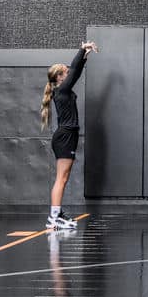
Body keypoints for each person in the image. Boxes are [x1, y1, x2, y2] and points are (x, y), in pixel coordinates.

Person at [40, 40, 98, 229]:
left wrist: (85, 56)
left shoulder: (63, 90)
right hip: (65, 137)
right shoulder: (62, 91)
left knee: (63, 178)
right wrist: (82, 50)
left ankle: (57, 214)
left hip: (67, 136)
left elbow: (75, 72)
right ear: (59, 77)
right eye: (65, 72)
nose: (69, 74)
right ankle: (54, 217)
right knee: (61, 178)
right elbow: (74, 73)